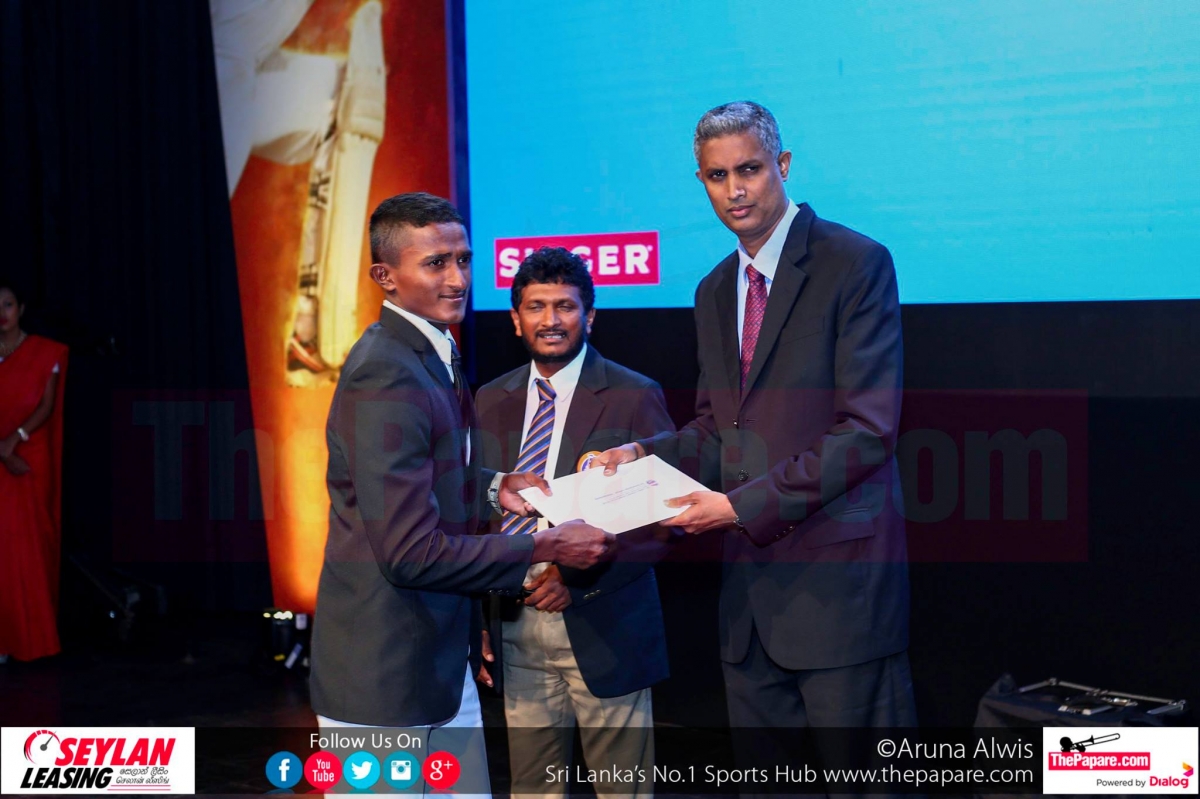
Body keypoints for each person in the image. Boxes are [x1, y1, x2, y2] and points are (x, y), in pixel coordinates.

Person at [594, 102, 916, 739]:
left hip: (841, 599)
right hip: (748, 609)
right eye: (718, 176)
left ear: (783, 165)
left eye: (750, 169)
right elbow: (719, 430)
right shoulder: (714, 290)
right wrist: (640, 458)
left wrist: (737, 508)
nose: (735, 190)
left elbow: (866, 432)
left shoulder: (854, 262)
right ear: (702, 181)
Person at [308, 195, 613, 791]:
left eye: (464, 260)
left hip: (435, 666)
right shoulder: (386, 369)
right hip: (384, 676)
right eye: (436, 263)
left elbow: (421, 479)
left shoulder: (430, 351)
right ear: (385, 276)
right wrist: (543, 545)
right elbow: (409, 552)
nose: (457, 279)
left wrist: (497, 488)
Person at [475, 248, 675, 798]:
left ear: (590, 315)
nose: (551, 320)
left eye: (565, 306)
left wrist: (579, 578)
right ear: (515, 319)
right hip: (514, 620)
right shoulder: (489, 399)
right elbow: (476, 513)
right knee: (532, 789)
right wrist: (481, 620)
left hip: (606, 623)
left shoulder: (633, 394)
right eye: (536, 307)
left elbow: (664, 523)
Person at [0, 281, 69, 664]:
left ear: (21, 309)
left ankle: (31, 639)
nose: (2, 313)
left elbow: (46, 405)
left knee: (28, 542)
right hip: (1, 452)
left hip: (30, 452)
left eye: (8, 304)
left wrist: (14, 441)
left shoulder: (45, 353)